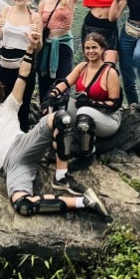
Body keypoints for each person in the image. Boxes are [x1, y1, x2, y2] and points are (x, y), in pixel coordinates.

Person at [0, 45, 110, 219]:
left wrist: (30, 49)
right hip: (11, 166)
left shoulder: (8, 106)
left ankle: (61, 178)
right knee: (22, 205)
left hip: (23, 144)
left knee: (61, 118)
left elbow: (22, 75)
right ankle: (84, 202)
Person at [43, 31, 123, 183]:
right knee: (62, 103)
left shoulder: (110, 73)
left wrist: (90, 103)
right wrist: (50, 97)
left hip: (107, 119)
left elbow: (114, 104)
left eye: (94, 48)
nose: (90, 51)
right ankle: (58, 147)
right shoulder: (82, 67)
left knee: (84, 112)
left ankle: (87, 154)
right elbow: (65, 83)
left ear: (102, 50)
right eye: (87, 48)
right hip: (84, 113)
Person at [0, 0, 42, 129]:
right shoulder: (5, 11)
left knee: (23, 101)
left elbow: (39, 47)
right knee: (1, 99)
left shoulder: (35, 17)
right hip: (4, 61)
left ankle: (20, 134)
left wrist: (35, 39)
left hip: (25, 62)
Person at [36, 0, 82, 109]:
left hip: (63, 46)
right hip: (46, 47)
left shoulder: (69, 0)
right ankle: (45, 115)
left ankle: (61, 115)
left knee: (63, 81)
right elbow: (38, 26)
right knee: (44, 82)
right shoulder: (43, 4)